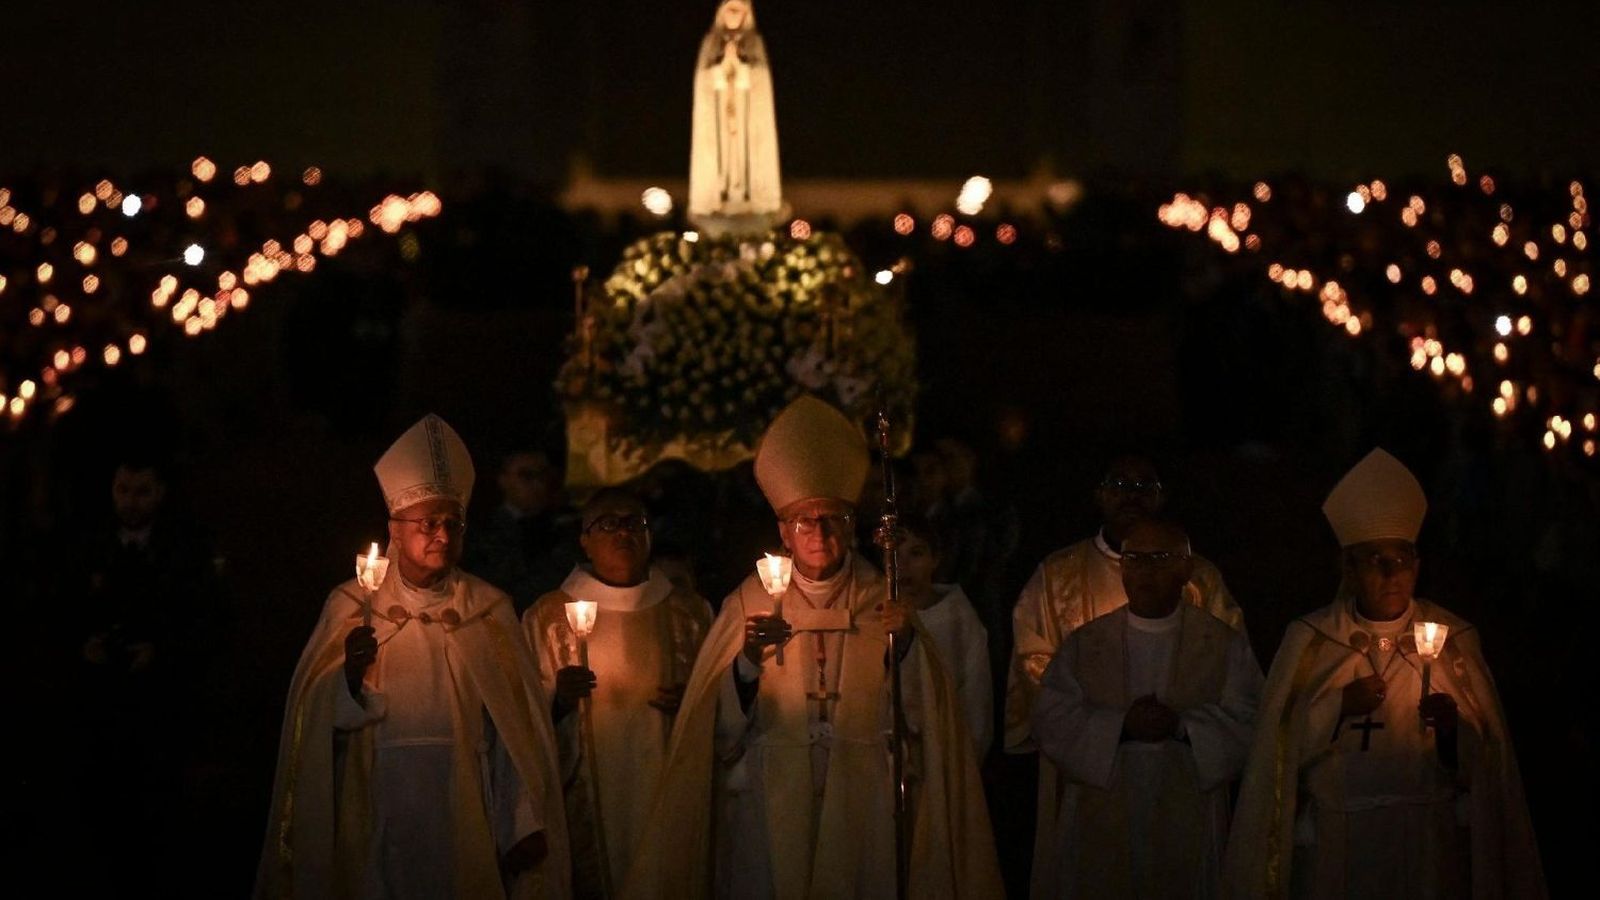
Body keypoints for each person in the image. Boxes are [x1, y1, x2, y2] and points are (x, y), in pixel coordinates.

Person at [621, 395, 1003, 899]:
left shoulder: (882, 598)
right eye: (805, 521)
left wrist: (906, 645)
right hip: (771, 792)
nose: (819, 533)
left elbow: (925, 719)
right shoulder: (749, 602)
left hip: (862, 795)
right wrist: (749, 664)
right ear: (784, 531)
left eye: (832, 519)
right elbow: (713, 728)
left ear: (851, 525)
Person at [254, 414, 570, 900]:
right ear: (394, 532)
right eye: (428, 523)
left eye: (453, 523)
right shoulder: (351, 606)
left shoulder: (487, 610)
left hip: (465, 802)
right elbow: (312, 714)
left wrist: (521, 820)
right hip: (377, 798)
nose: (442, 535)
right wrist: (349, 679)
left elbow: (514, 730)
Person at [1225, 448, 1546, 899]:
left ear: (1418, 566)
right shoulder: (1312, 641)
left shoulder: (1454, 642)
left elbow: (1490, 767)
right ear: (1350, 569)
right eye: (1375, 559)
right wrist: (1339, 707)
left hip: (1427, 841)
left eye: (1402, 558)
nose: (1391, 572)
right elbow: (1275, 752)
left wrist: (1453, 732)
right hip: (1341, 842)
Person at [1006, 454, 1242, 897]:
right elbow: (1033, 661)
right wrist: (1106, 728)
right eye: (1119, 484)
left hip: (1183, 773)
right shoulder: (1059, 575)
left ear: (1162, 497)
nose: (1130, 496)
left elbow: (1238, 687)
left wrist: (1181, 726)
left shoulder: (1201, 578)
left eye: (1143, 486)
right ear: (1099, 495)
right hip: (1093, 770)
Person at [524, 487, 714, 899]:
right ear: (585, 540)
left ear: (649, 536)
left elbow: (722, 703)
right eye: (607, 524)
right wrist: (557, 701)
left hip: (667, 784)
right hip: (587, 795)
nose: (622, 533)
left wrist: (694, 705)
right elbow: (521, 716)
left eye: (634, 523)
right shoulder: (548, 617)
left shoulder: (691, 613)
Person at [896, 512, 993, 757]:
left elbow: (975, 697)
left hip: (945, 750)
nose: (902, 565)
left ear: (935, 559)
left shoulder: (958, 619)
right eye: (895, 554)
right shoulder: (873, 616)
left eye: (915, 553)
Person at [688, 0, 784, 234]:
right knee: (723, 155)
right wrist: (722, 69)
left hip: (746, 113)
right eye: (730, 10)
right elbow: (703, 78)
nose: (734, 16)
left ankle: (743, 191)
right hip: (720, 112)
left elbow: (761, 77)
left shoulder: (754, 42)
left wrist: (741, 68)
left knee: (741, 156)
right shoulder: (711, 42)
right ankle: (721, 192)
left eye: (739, 11)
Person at [463, 449, 580, 615]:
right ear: (503, 480)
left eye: (543, 475)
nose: (538, 483)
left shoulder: (566, 528)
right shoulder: (480, 531)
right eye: (526, 475)